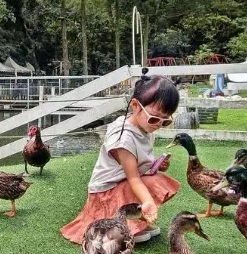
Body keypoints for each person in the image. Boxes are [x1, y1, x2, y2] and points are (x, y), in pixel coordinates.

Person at [60, 68, 181, 244]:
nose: (159, 125)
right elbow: (133, 179)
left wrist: (154, 165)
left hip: (122, 183)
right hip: (107, 192)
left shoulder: (144, 126)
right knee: (150, 185)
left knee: (157, 179)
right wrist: (148, 202)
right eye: (155, 119)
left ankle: (136, 223)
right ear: (135, 107)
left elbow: (137, 168)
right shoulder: (123, 138)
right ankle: (127, 226)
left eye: (166, 120)